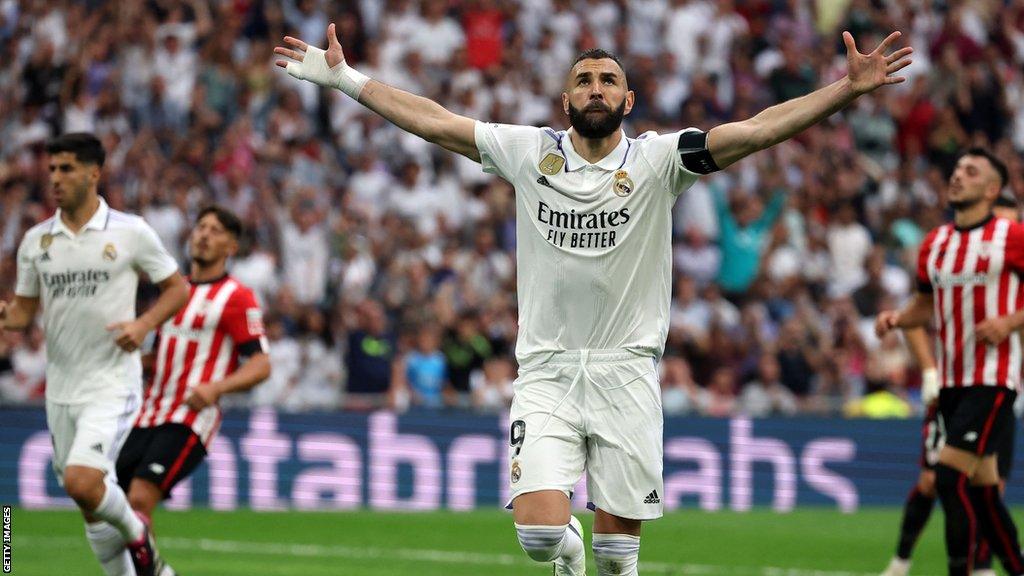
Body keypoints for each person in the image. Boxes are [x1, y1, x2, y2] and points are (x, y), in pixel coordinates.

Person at [275, 23, 912, 576]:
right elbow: (437, 122)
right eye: (584, 81)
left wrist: (845, 91)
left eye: (608, 80)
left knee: (618, 558)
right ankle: (565, 552)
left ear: (629, 99)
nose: (596, 89)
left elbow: (754, 131)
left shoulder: (662, 161)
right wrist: (347, 80)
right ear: (566, 99)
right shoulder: (529, 152)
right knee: (540, 538)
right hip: (547, 371)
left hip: (626, 372)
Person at [0, 133, 189, 576]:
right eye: (51, 170)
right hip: (61, 389)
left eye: (65, 169)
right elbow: (23, 313)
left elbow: (176, 288)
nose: (56, 179)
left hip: (111, 382)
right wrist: (5, 315)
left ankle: (139, 537)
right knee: (88, 502)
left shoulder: (130, 232)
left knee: (83, 481)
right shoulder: (36, 242)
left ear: (93, 173)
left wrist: (143, 326)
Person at [876, 149, 1024, 576]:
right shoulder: (935, 244)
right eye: (957, 169)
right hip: (952, 382)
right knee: (984, 494)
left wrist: (1010, 322)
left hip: (993, 378)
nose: (958, 176)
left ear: (992, 189)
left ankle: (959, 569)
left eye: (971, 171)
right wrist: (897, 319)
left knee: (947, 477)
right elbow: (926, 305)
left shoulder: (1009, 237)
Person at [115, 205, 271, 564]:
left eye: (215, 231)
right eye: (201, 227)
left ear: (231, 246)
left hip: (188, 416)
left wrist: (216, 389)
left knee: (139, 500)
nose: (203, 235)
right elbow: (161, 355)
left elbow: (261, 365)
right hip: (146, 412)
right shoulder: (174, 292)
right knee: (113, 508)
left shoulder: (236, 296)